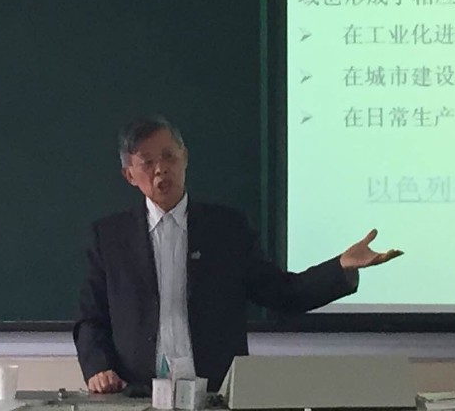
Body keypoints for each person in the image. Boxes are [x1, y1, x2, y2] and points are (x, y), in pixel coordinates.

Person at [73, 116, 402, 395]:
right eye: (147, 162)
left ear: (185, 158)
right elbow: (91, 318)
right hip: (137, 393)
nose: (161, 170)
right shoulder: (109, 237)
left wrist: (341, 267)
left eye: (169, 156)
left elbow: (283, 293)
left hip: (216, 392)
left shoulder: (226, 229)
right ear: (129, 175)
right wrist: (98, 367)